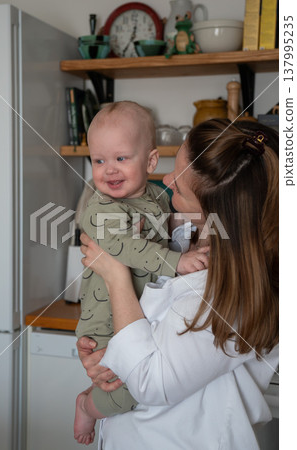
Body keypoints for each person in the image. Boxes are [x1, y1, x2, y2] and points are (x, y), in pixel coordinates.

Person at [77, 118, 279, 449]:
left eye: (181, 187)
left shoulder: (235, 295)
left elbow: (149, 382)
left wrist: (115, 276)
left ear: (217, 212)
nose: (167, 180)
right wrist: (103, 355)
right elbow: (137, 331)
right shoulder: (185, 235)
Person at [74, 101, 209, 445]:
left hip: (135, 315)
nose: (109, 170)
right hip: (105, 319)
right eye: (99, 160)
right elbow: (125, 249)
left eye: (121, 159)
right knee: (125, 390)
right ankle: (87, 406)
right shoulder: (101, 206)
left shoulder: (157, 197)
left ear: (149, 161)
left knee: (123, 380)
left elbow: (167, 237)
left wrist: (186, 252)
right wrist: (176, 262)